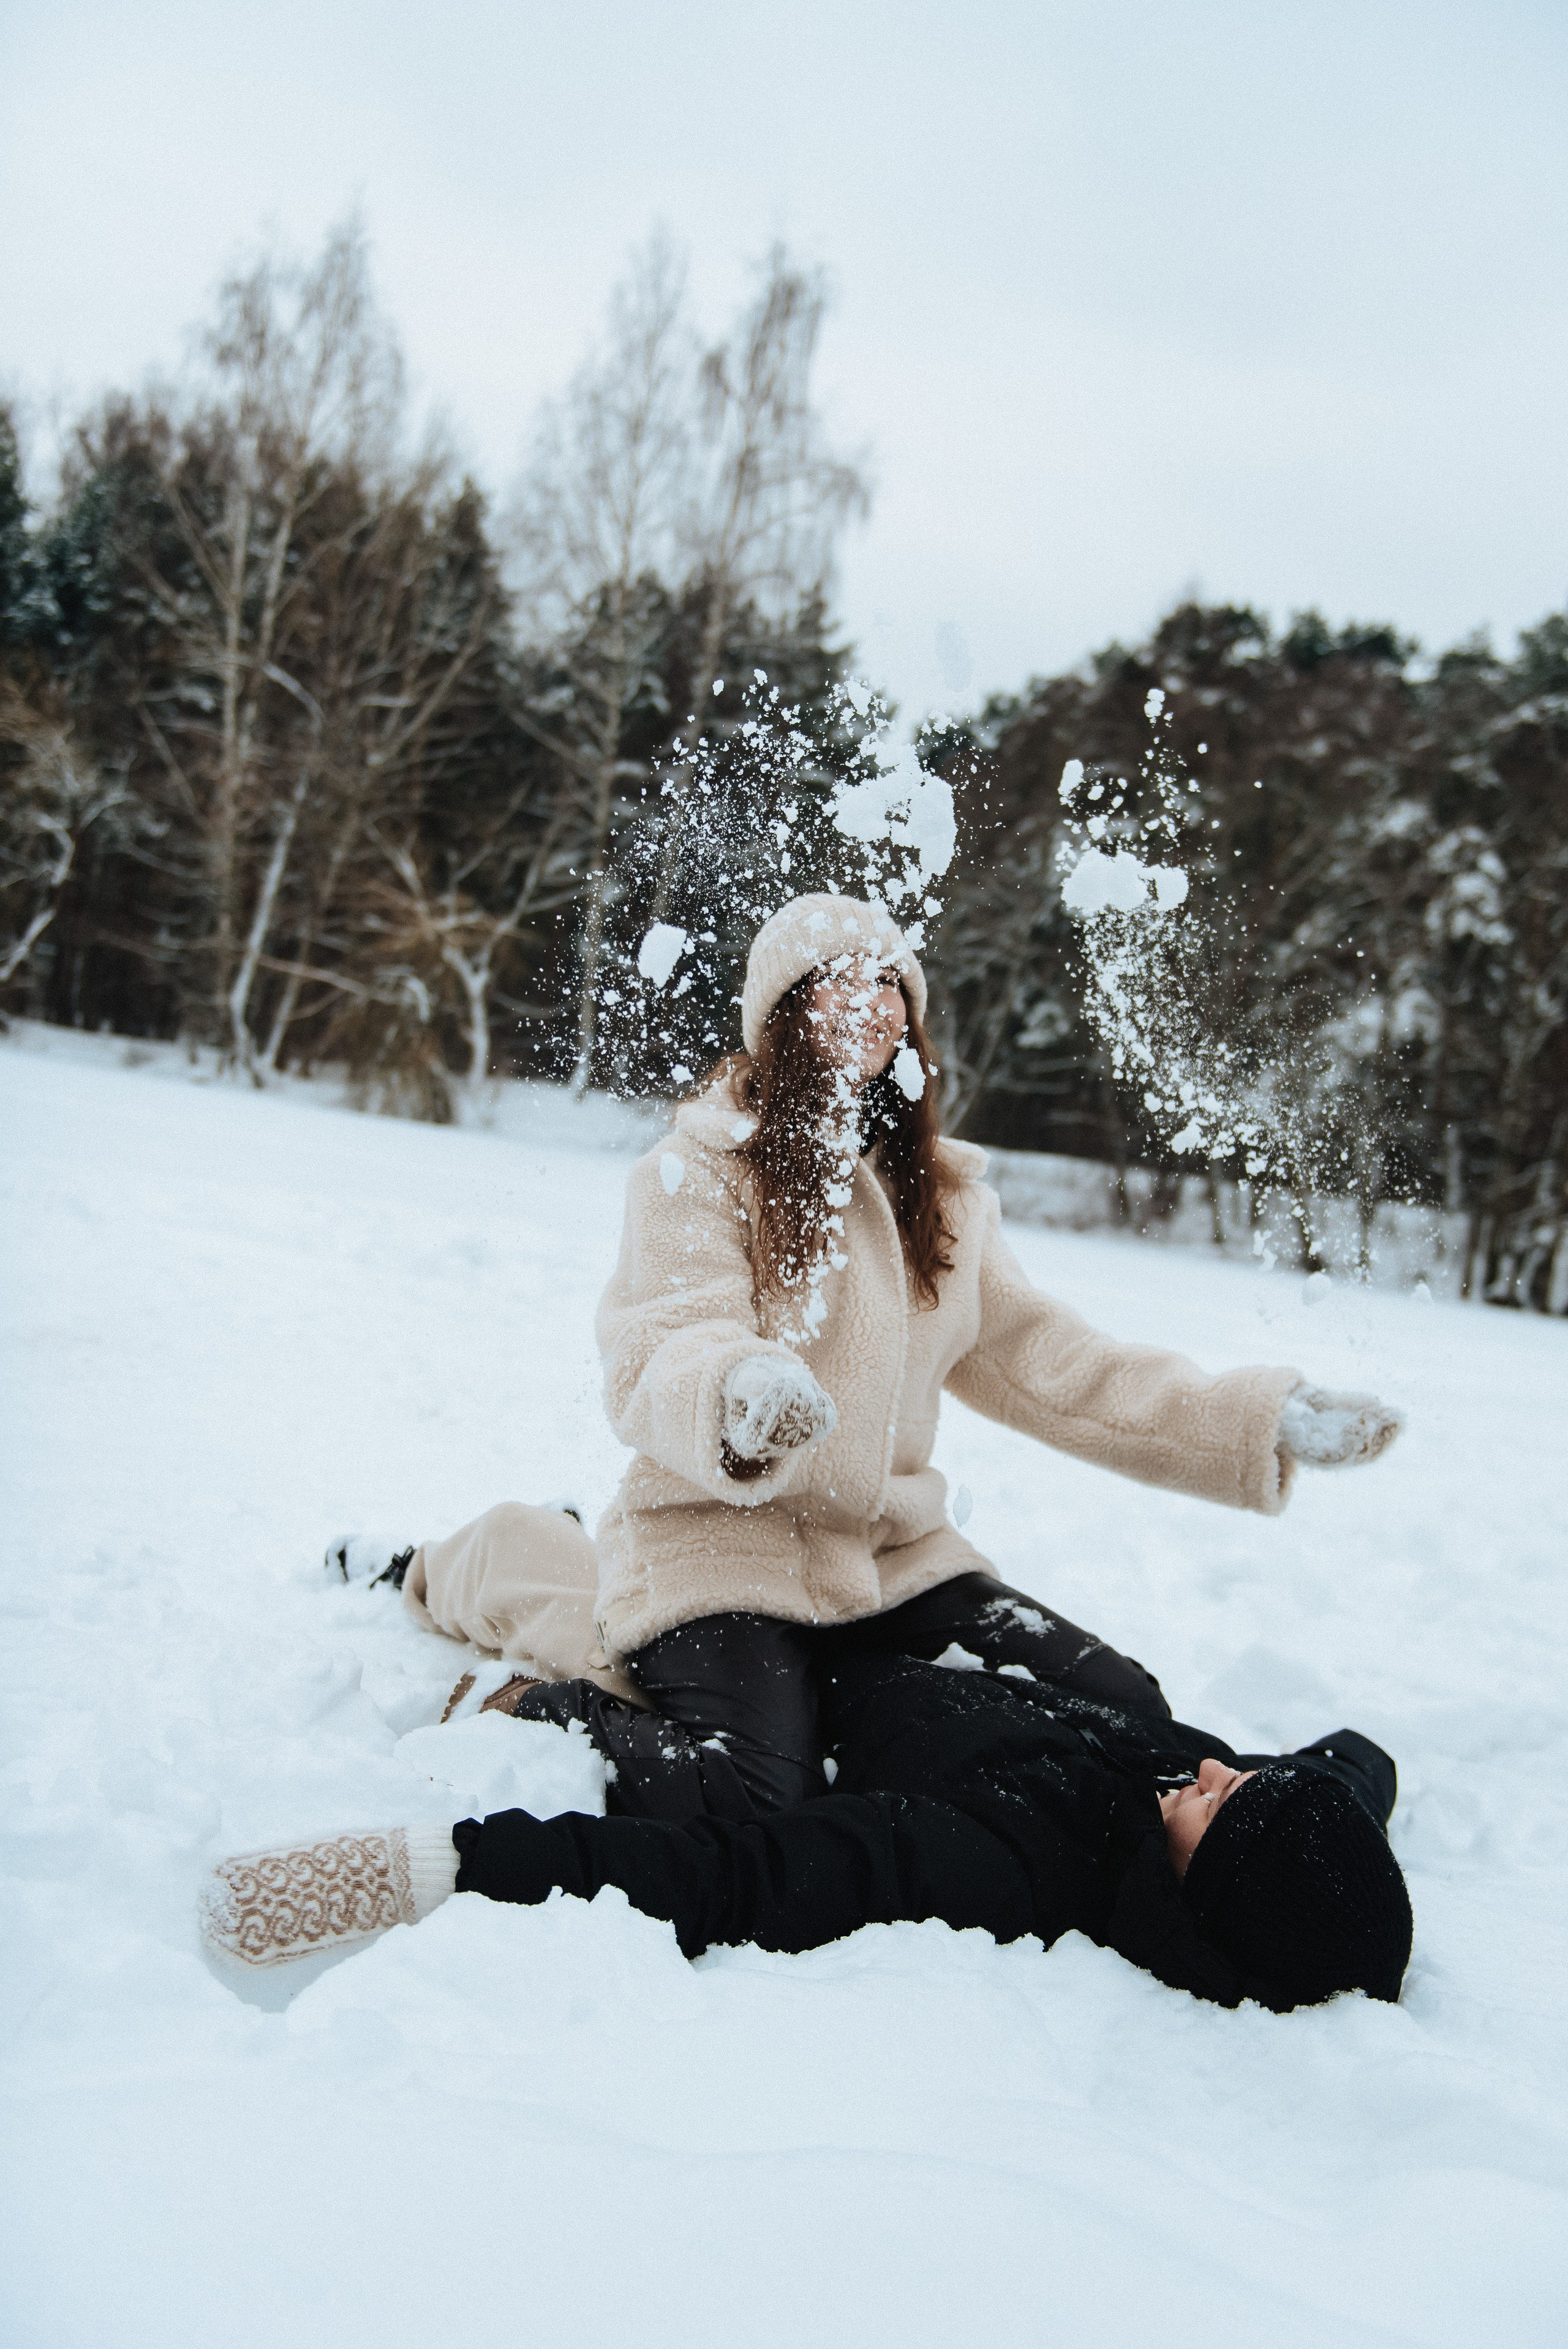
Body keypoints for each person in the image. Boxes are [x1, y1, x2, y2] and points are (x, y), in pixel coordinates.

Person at [336, 892, 1403, 1823]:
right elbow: (665, 1341)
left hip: (893, 1562)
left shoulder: (946, 1202)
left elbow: (1056, 1364)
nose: (876, 1001)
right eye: (840, 980)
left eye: (893, 982)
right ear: (782, 1017)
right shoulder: (697, 1174)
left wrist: (1255, 1418)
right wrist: (737, 1391)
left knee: (1120, 1705)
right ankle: (527, 1664)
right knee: (754, 1788)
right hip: (721, 1547)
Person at [200, 1622, 1415, 2016]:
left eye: (1224, 1804)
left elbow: (728, 1875)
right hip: (848, 1608)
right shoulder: (1191, 1796)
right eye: (1233, 1774)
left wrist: (442, 1863)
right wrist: (1355, 1774)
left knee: (539, 1566)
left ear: (1210, 1894)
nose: (1209, 1773)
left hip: (738, 1686)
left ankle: (416, 1572)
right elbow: (1337, 1779)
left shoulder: (1003, 1867)